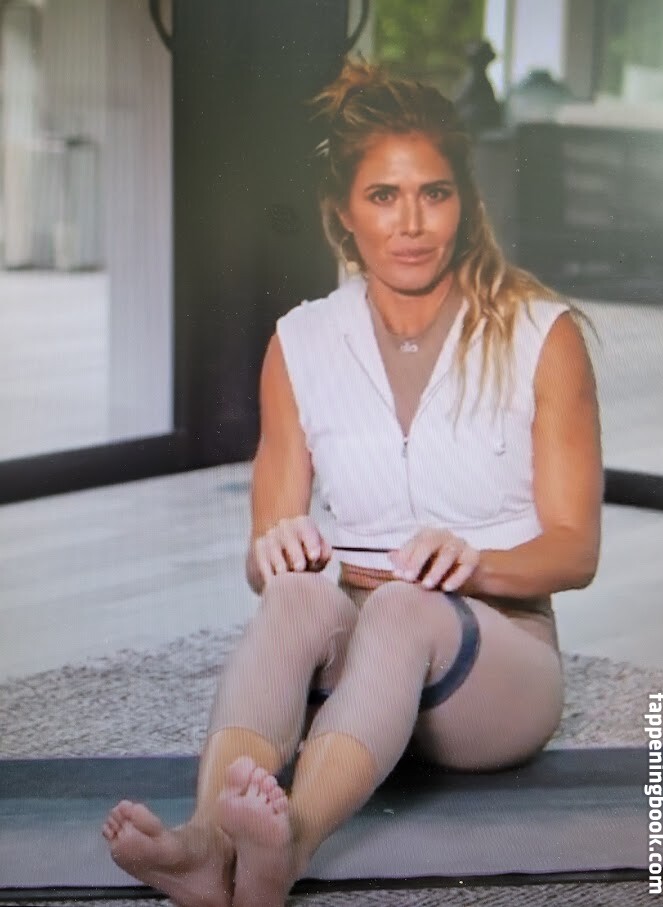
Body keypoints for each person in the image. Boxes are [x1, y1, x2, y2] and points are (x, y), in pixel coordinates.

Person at [102, 58, 603, 907]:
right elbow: (264, 556)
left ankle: (288, 843)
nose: (412, 223)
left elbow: (575, 551)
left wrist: (472, 563)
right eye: (383, 196)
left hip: (492, 672)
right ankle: (206, 843)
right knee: (297, 597)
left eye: (434, 193)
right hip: (354, 683)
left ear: (465, 202)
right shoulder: (300, 343)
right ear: (342, 210)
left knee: (405, 607)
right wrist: (279, 550)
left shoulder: (540, 334)